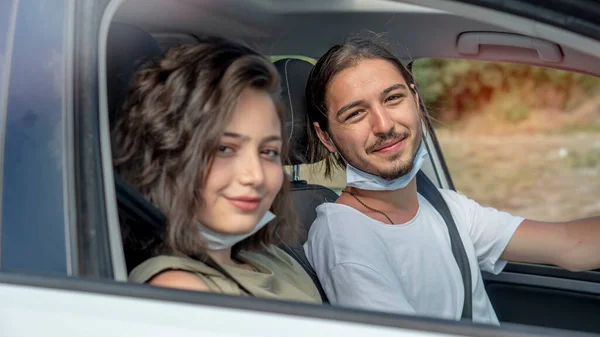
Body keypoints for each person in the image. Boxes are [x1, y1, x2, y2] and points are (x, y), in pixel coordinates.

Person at [302, 37, 600, 323]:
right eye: (355, 114)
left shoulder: (441, 204)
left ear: (416, 101)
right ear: (325, 137)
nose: (384, 125)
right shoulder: (346, 238)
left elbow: (568, 244)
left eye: (393, 98)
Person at [111, 37, 321, 303]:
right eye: (224, 149)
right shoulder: (179, 290)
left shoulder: (272, 256)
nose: (255, 176)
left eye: (269, 152)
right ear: (170, 155)